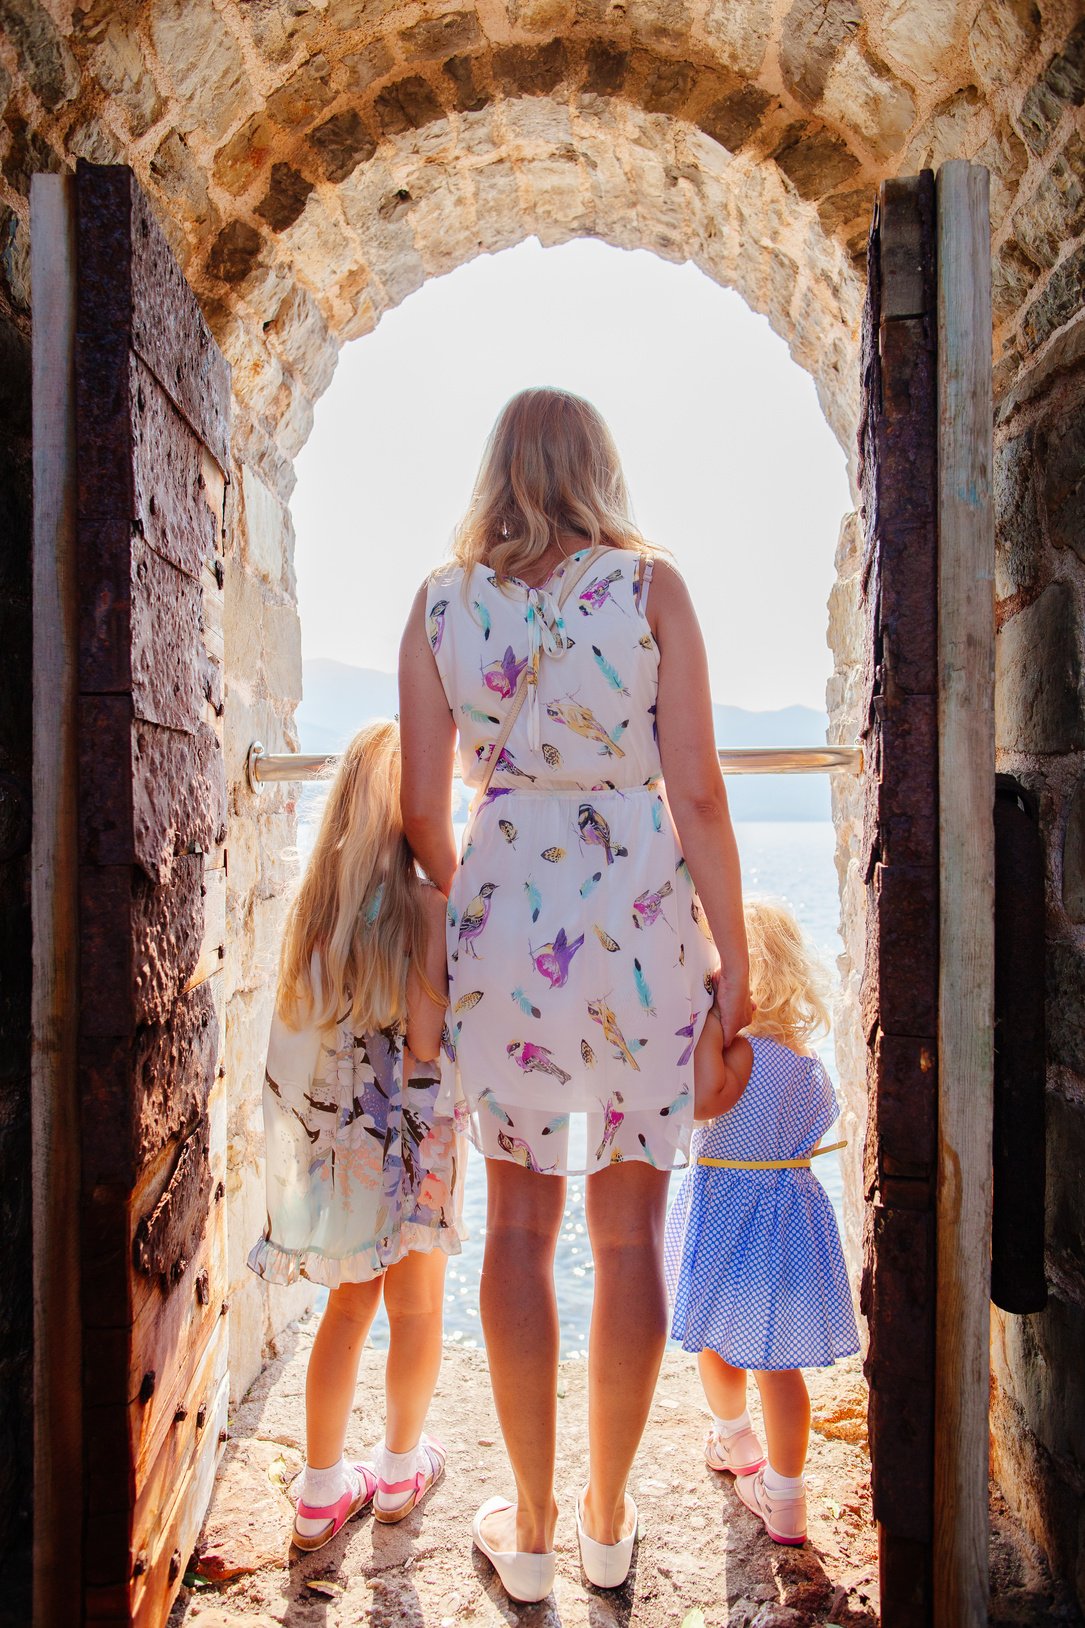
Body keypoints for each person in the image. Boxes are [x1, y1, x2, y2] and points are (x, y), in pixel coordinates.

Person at [399, 386, 752, 1600]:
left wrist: (492, 895)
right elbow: (696, 791)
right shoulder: (651, 588)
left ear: (499, 468)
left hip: (505, 926)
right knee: (625, 1231)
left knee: (517, 1227)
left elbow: (417, 809)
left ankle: (535, 1531)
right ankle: (608, 1520)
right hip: (643, 921)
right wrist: (735, 959)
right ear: (596, 468)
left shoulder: (440, 604)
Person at [247, 721, 463, 1551]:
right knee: (416, 1310)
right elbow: (421, 1047)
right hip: (413, 1146)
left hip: (338, 1155)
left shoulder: (315, 912)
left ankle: (318, 1490)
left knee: (344, 1310)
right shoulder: (425, 909)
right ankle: (402, 1468)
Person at [664, 897, 860, 1547]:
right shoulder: (804, 1063)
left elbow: (697, 1104)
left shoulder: (740, 1057)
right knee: (781, 1366)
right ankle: (785, 1497)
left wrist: (696, 1025)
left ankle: (732, 1439)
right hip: (791, 1219)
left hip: (732, 1218)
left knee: (719, 1343)